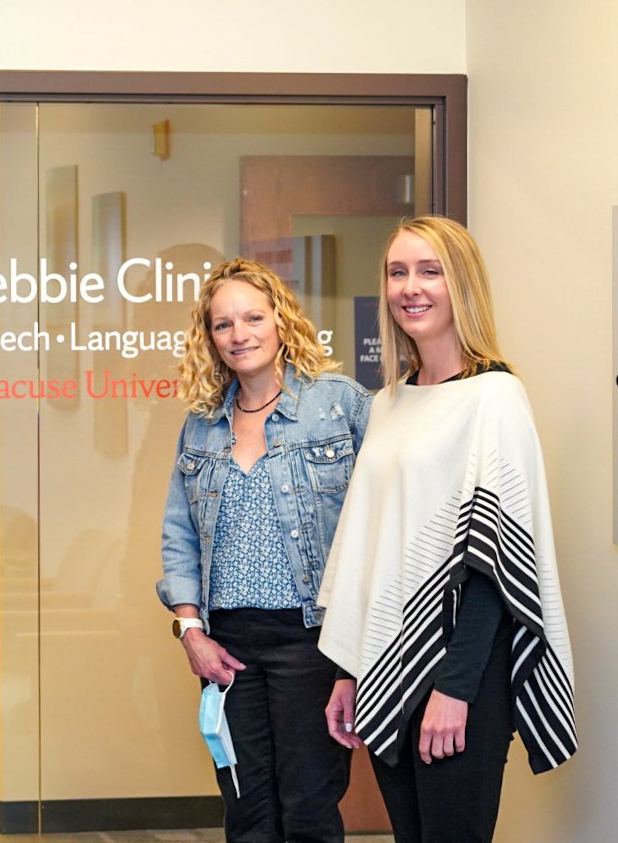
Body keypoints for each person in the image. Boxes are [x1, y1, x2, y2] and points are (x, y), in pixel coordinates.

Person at [318, 217, 575, 841]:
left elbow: (500, 567)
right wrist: (348, 672)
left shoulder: (495, 396)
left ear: (462, 284)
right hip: (385, 668)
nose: (411, 287)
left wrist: (454, 691)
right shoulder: (388, 403)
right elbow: (369, 552)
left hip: (464, 673)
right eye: (397, 272)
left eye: (430, 271)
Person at [157, 258, 370, 842]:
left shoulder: (339, 405)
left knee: (308, 808)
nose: (239, 335)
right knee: (247, 811)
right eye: (223, 325)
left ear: (282, 322)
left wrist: (356, 655)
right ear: (209, 337)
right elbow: (178, 534)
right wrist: (191, 633)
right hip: (226, 649)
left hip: (313, 643)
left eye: (253, 317)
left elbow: (378, 527)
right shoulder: (202, 424)